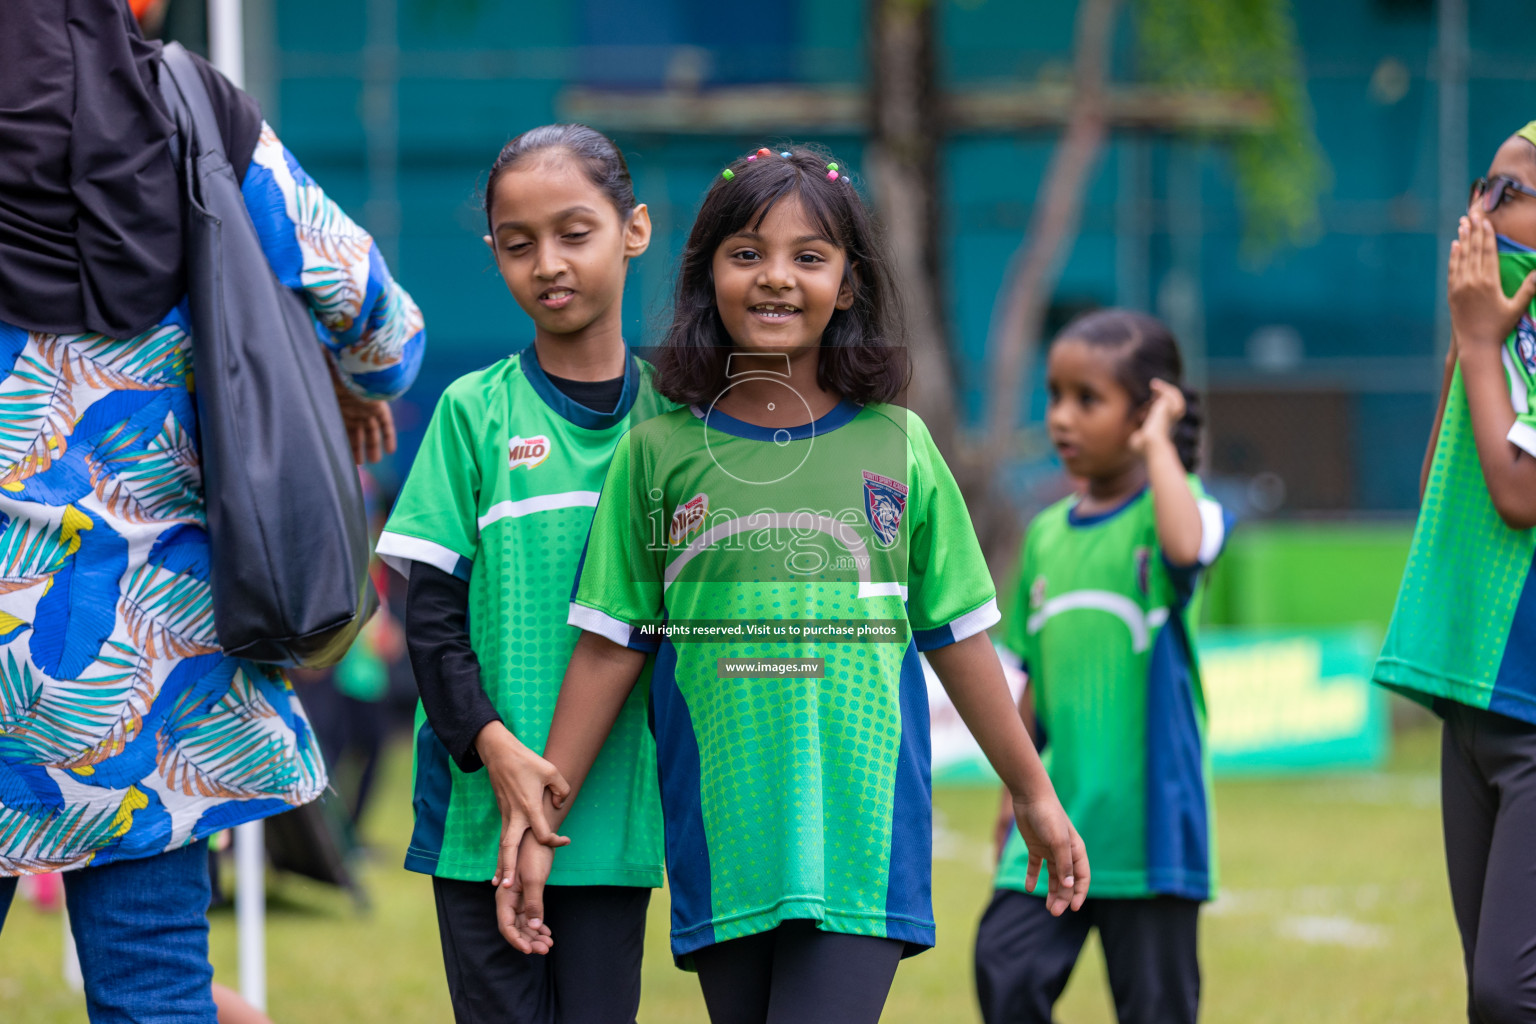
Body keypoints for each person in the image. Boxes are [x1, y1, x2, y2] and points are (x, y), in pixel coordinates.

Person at [499, 145, 1089, 1024]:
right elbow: (610, 646)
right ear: (707, 277)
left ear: (848, 284)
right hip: (724, 838)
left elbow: (958, 637)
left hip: (863, 837)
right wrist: (541, 821)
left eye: (809, 257)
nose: (776, 279)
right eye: (748, 254)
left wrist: (1033, 791)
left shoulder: (900, 446)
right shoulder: (658, 452)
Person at [0, 3, 424, 1022]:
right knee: (155, 997)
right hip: (147, 689)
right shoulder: (192, 109)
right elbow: (385, 329)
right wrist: (334, 371)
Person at [375, 124, 671, 1024]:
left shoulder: (677, 422)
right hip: (477, 823)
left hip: (612, 822)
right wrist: (496, 750)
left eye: (574, 233)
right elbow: (430, 621)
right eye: (517, 243)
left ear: (635, 230)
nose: (548, 263)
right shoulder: (474, 412)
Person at [973, 310, 1228, 1024]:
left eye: (1089, 399)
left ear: (1147, 411)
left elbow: (1185, 549)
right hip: (1059, 821)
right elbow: (1031, 679)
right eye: (1055, 396)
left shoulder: (1175, 511)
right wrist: (1012, 792)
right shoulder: (1048, 534)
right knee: (1005, 966)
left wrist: (1159, 448)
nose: (1062, 419)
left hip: (1151, 834)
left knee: (1155, 1009)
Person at [1373, 122, 1536, 1024]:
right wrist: (1468, 341)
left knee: (1509, 996)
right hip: (1479, 697)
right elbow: (1447, 468)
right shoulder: (1500, 333)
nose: (1476, 213)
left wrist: (1480, 348)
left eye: (1504, 194)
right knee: (1493, 994)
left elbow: (1520, 493)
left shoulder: (1500, 342)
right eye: (1481, 187)